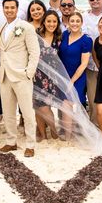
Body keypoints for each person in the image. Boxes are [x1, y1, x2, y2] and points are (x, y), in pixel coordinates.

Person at [0, 0, 40, 157]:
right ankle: (11, 141)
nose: (9, 10)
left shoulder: (26, 27)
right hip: (5, 75)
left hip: (21, 75)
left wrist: (29, 72)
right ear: (3, 9)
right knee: (8, 112)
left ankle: (30, 144)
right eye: (6, 8)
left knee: (27, 112)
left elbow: (34, 52)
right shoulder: (1, 28)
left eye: (12, 8)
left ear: (17, 9)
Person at [33, 10, 62, 141]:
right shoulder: (36, 35)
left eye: (54, 21)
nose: (51, 24)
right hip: (36, 75)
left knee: (46, 107)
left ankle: (54, 132)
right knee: (37, 107)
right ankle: (43, 134)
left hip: (51, 77)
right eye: (49, 21)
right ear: (44, 21)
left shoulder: (59, 38)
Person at [58, 12, 92, 108]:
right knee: (63, 104)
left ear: (81, 23)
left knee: (76, 104)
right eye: (72, 21)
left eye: (78, 21)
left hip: (77, 77)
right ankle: (65, 123)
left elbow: (84, 64)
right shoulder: (64, 35)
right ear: (68, 22)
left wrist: (71, 81)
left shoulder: (86, 40)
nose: (75, 23)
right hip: (63, 75)